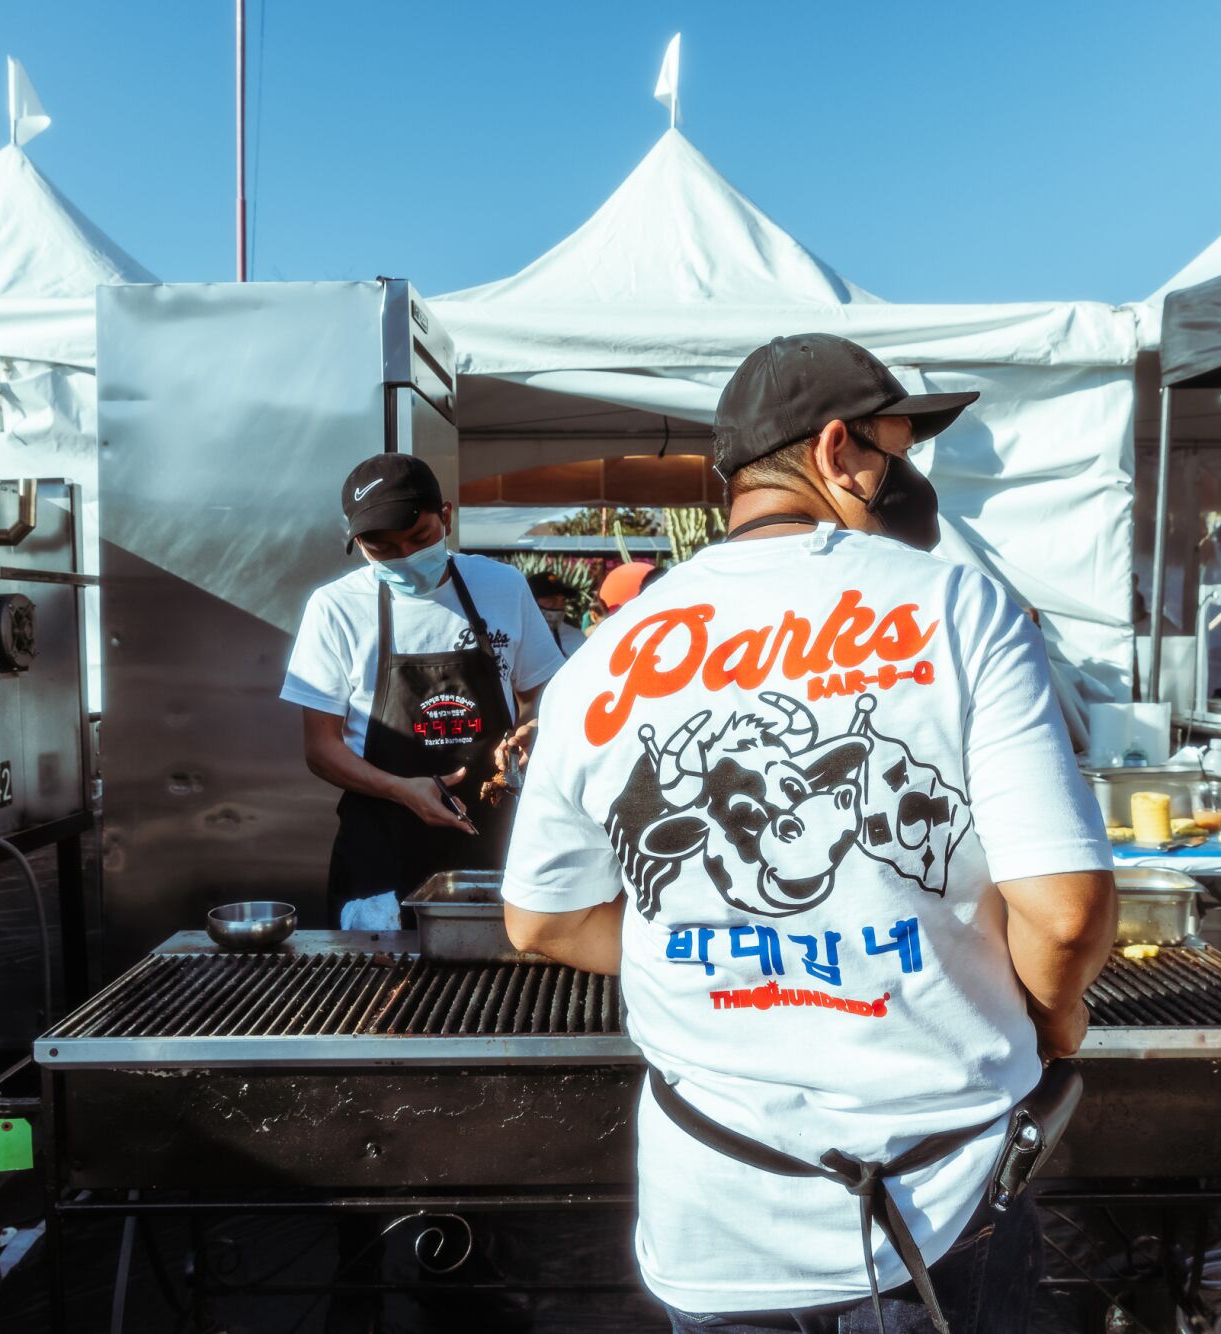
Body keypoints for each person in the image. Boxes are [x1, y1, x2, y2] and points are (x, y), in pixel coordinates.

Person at [500, 333, 1118, 1334]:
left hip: (714, 1219)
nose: (904, 472)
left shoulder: (601, 658)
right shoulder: (961, 607)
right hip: (942, 1210)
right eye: (894, 446)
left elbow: (540, 920)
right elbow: (1063, 908)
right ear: (836, 450)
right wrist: (1051, 1021)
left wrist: (711, 960)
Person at [282, 453, 563, 928]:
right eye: (382, 548)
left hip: (493, 833)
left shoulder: (501, 586)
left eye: (420, 538)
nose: (405, 558)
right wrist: (402, 790)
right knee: (378, 997)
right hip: (381, 844)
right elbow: (321, 748)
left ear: (447, 517)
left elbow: (543, 695)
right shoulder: (335, 608)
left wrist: (534, 731)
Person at [526, 569, 585, 657]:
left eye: (563, 600)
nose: (558, 606)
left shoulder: (577, 637)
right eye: (551, 600)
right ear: (531, 602)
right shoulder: (520, 640)